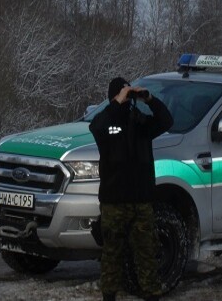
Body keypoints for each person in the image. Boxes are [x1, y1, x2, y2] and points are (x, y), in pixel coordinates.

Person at [89, 77, 174, 301]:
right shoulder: (106, 122)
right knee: (111, 255)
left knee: (147, 253)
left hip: (141, 200)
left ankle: (151, 293)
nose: (128, 100)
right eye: (123, 96)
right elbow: (96, 126)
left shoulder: (139, 122)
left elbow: (166, 121)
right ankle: (109, 296)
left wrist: (149, 99)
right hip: (114, 201)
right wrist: (117, 101)